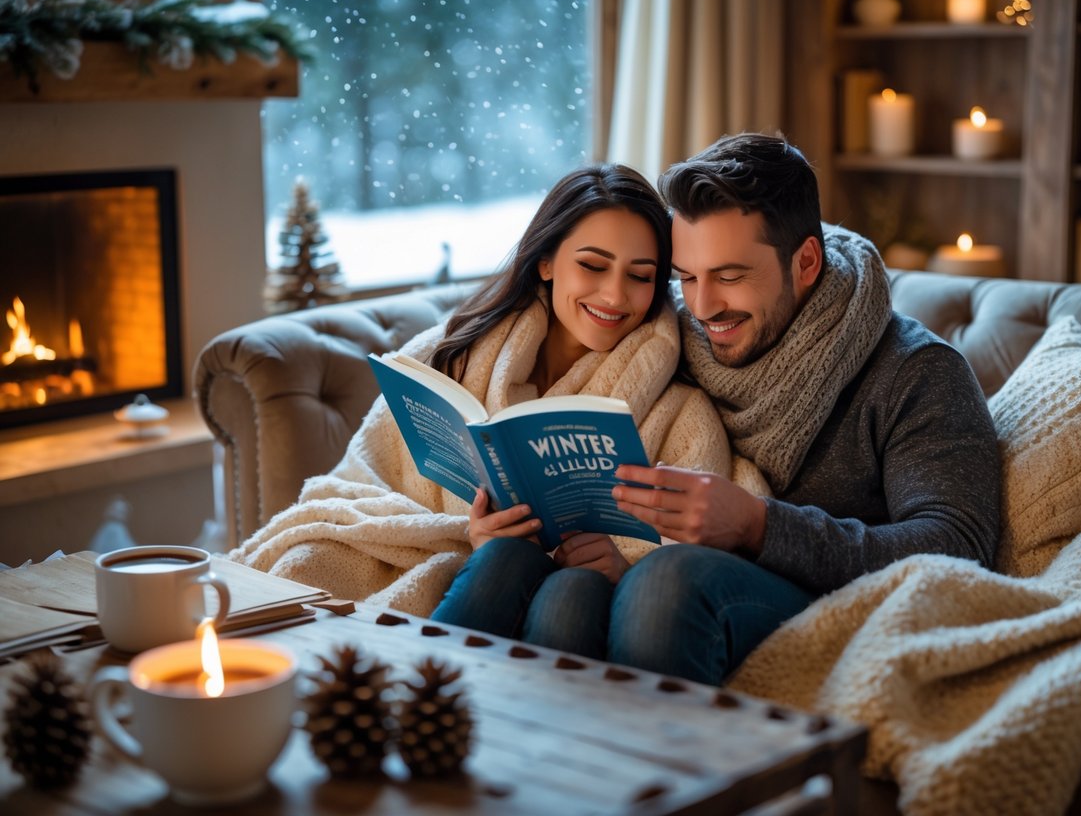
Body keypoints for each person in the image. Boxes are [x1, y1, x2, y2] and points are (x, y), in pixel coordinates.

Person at [229, 163, 766, 657]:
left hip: (581, 605)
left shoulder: (679, 410)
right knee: (506, 557)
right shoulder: (449, 354)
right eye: (593, 265)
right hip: (477, 575)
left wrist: (621, 568)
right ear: (548, 261)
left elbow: (697, 560)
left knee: (571, 588)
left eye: (641, 275)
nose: (615, 294)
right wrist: (470, 533)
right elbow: (355, 483)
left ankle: (422, 699)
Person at [608, 133, 1002, 686]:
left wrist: (758, 525)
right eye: (688, 277)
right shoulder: (667, 341)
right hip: (666, 576)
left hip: (829, 600)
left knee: (666, 585)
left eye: (729, 276)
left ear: (807, 262)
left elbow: (957, 547)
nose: (703, 306)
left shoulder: (917, 370)